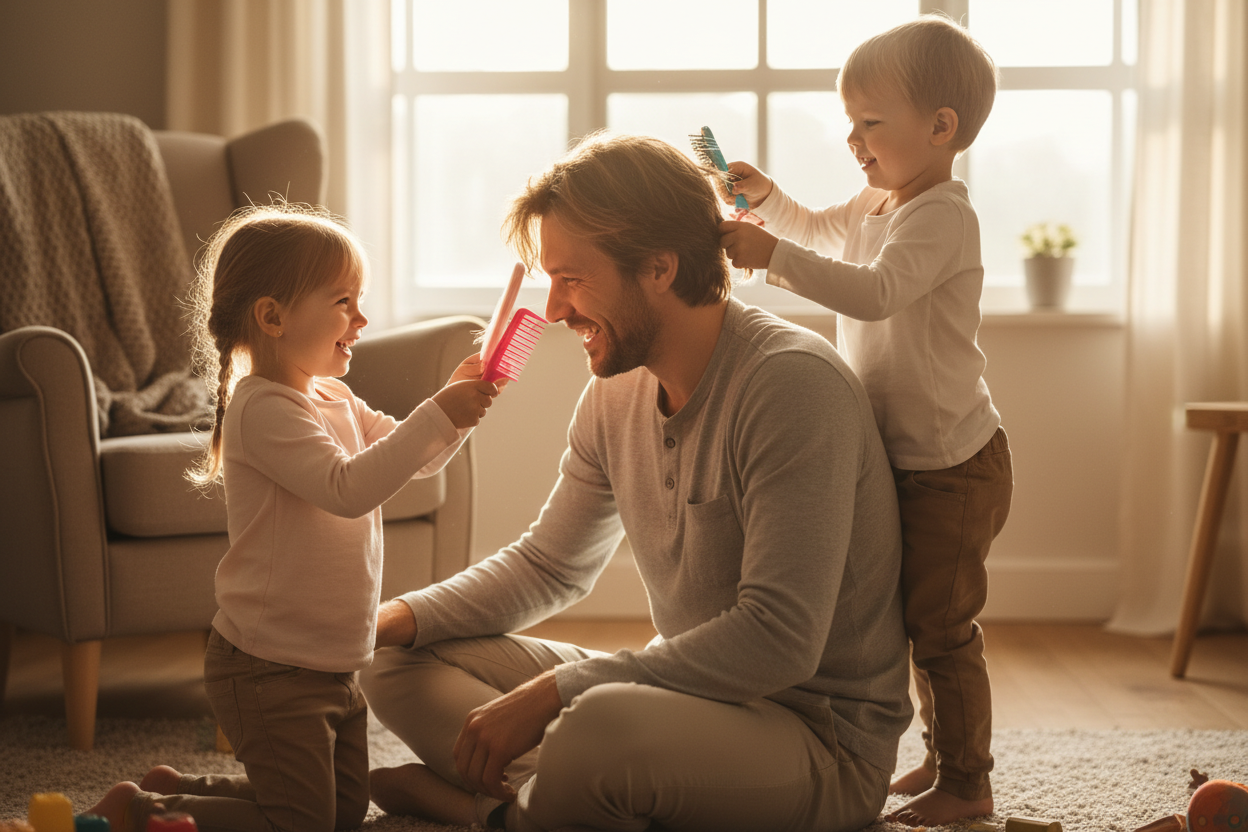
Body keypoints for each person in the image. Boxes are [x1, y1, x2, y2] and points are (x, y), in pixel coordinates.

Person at [357, 131, 913, 832]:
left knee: (594, 728)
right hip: (690, 705)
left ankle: (501, 812)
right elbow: (549, 565)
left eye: (572, 279)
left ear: (658, 268)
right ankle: (554, 800)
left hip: (817, 741)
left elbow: (778, 639)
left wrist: (556, 693)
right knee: (393, 660)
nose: (554, 312)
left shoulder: (792, 386)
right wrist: (381, 623)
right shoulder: (617, 391)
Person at [86, 204, 499, 832]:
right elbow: (347, 488)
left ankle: (180, 788)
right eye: (343, 302)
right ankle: (143, 813)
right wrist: (440, 411)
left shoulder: (331, 395)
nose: (360, 320)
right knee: (302, 824)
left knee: (339, 812)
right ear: (273, 316)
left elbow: (412, 462)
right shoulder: (265, 409)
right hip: (268, 667)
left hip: (330, 661)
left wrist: (458, 415)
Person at [716, 13, 1014, 829]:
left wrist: (771, 256)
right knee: (907, 620)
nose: (854, 139)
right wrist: (770, 205)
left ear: (941, 128)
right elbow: (820, 234)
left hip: (953, 465)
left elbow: (876, 291)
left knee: (941, 627)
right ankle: (943, 757)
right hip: (903, 457)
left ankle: (970, 781)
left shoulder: (944, 215)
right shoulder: (878, 200)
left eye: (870, 123)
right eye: (850, 124)